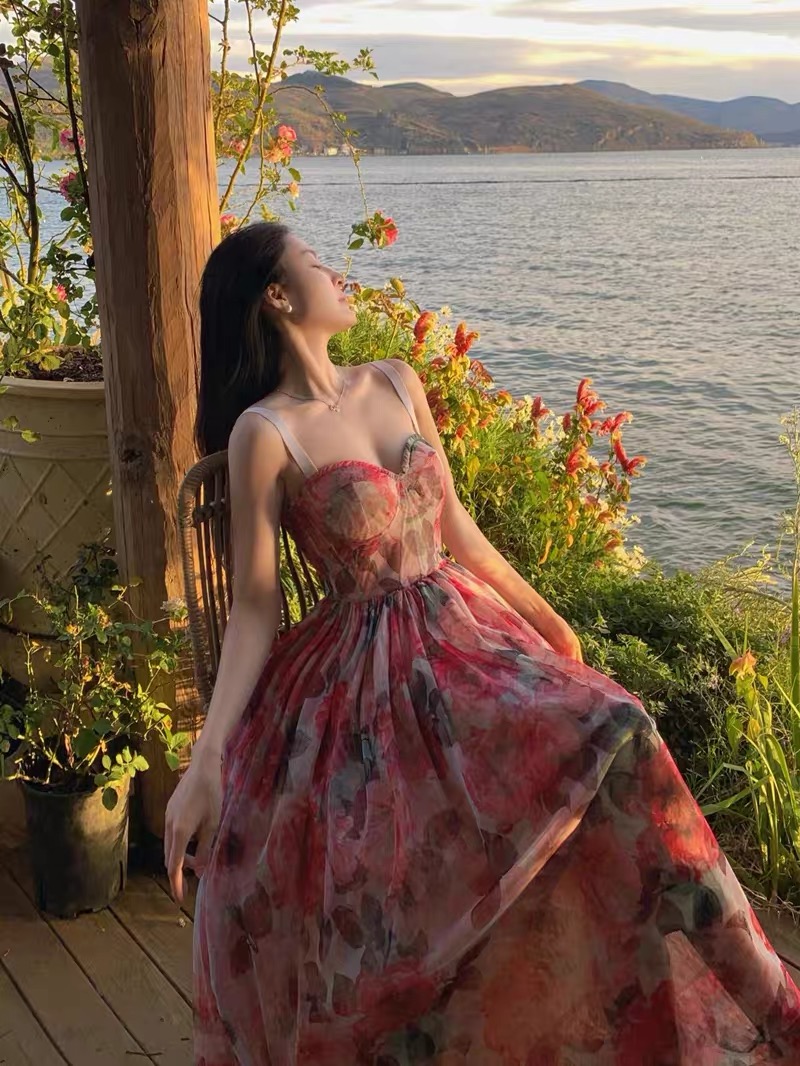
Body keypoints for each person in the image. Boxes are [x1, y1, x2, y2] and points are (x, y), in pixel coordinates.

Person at [165, 221, 800, 1065]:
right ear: (277, 296)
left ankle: (767, 1006)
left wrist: (546, 618)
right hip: (359, 679)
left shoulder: (394, 379)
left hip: (461, 636)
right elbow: (255, 605)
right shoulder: (264, 432)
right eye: (315, 263)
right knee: (378, 872)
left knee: (621, 731)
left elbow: (459, 531)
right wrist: (208, 760)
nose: (335, 272)